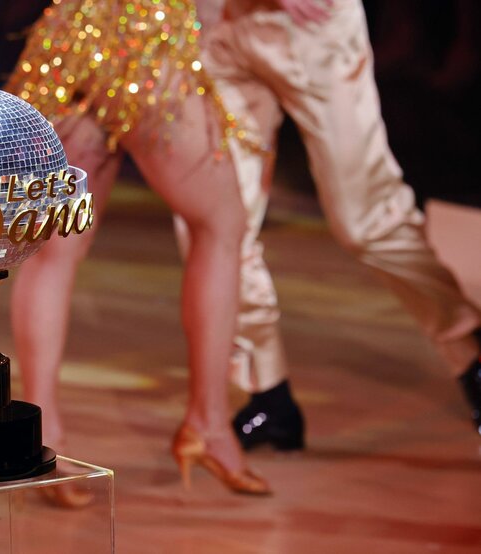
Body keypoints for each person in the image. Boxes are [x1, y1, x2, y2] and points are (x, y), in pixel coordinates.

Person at [175, 0, 481, 449]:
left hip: (309, 27)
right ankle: (267, 393)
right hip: (216, 25)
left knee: (366, 221)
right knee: (216, 224)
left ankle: (467, 350)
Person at [5, 0, 271, 495]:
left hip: (68, 37)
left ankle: (42, 440)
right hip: (144, 43)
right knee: (222, 224)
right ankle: (209, 425)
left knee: (53, 248)